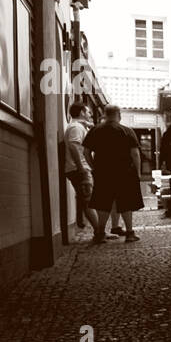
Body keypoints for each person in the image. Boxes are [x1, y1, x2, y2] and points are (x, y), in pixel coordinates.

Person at [84, 105, 144, 243]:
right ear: (118, 114)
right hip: (125, 172)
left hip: (103, 172)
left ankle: (99, 234)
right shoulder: (127, 131)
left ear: (105, 114)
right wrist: (138, 172)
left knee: (103, 202)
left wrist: (94, 167)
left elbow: (86, 152)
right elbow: (135, 153)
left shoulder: (95, 130)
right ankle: (129, 233)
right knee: (126, 202)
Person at [63, 102, 101, 235]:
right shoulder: (76, 127)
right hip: (79, 169)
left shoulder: (79, 126)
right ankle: (99, 232)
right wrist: (81, 167)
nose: (90, 115)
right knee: (88, 201)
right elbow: (74, 145)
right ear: (81, 113)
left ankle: (99, 230)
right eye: (88, 112)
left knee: (88, 199)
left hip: (80, 168)